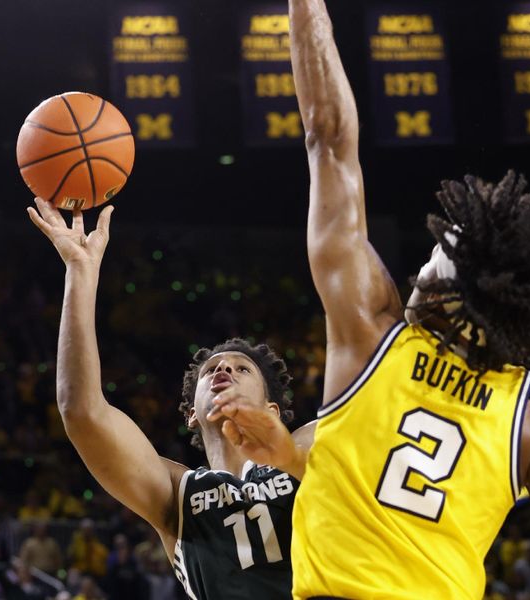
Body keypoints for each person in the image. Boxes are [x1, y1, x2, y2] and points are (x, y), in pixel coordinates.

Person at [214, 1, 530, 598]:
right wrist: (291, 454)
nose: (415, 275)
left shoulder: (371, 333)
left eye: (428, 267)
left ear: (444, 291)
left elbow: (329, 138)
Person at [27, 198, 315, 599]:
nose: (222, 370)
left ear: (273, 411)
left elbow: (368, 406)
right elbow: (81, 412)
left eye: (241, 368)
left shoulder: (304, 447)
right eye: (210, 370)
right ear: (192, 415)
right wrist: (80, 271)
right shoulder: (176, 493)